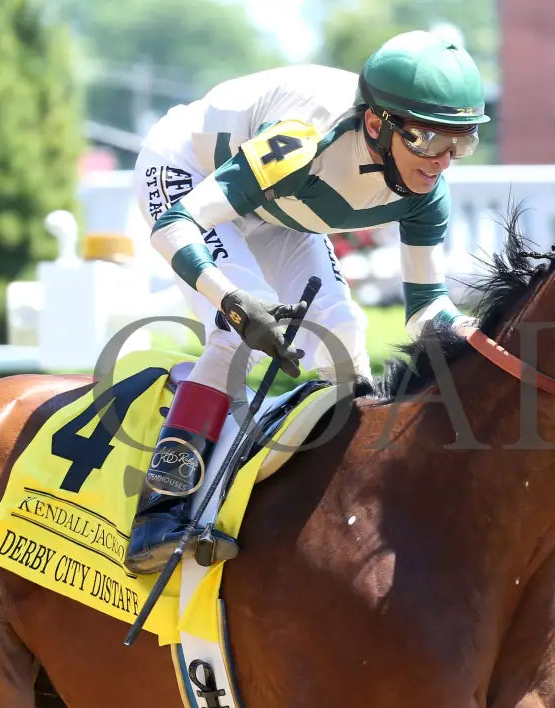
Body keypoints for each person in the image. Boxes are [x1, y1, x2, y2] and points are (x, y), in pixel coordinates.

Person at [126, 30, 490, 573]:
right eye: (426, 140)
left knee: (344, 331)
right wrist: (231, 299)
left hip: (277, 207)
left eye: (459, 143)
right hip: (191, 173)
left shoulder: (426, 191)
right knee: (234, 333)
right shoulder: (303, 143)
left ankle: (347, 500)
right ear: (375, 123)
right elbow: (175, 225)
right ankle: (161, 512)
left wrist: (482, 336)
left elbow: (424, 313)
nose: (441, 161)